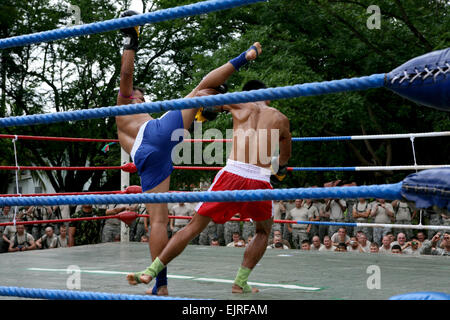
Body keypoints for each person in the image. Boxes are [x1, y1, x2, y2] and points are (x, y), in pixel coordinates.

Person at [126, 42, 293, 294]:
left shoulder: (239, 103)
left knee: (194, 226)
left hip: (232, 174)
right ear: (268, 95)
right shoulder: (280, 118)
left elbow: (202, 95)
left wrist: (211, 107)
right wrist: (279, 167)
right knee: (262, 231)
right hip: (260, 179)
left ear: (247, 92)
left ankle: (152, 272)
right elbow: (284, 151)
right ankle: (240, 282)